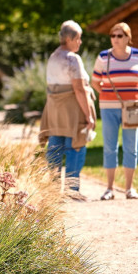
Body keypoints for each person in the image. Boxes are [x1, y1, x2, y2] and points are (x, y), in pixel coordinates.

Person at [91, 22, 138, 200]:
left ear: (128, 38)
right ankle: (109, 189)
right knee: (110, 147)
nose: (115, 39)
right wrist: (109, 96)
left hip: (132, 108)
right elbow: (95, 82)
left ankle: (129, 189)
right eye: (113, 36)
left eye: (119, 36)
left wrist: (131, 97)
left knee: (131, 147)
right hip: (108, 108)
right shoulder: (103, 57)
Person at [39, 20, 95, 195]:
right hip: (72, 110)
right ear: (69, 39)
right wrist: (89, 116)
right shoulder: (72, 59)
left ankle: (53, 190)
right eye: (78, 38)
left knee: (55, 145)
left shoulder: (53, 56)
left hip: (55, 110)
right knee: (75, 147)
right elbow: (79, 89)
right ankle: (72, 190)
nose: (80, 42)